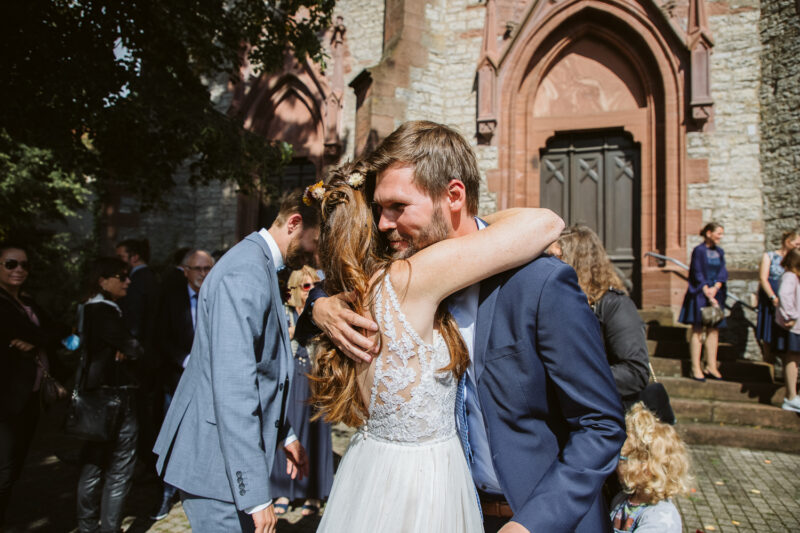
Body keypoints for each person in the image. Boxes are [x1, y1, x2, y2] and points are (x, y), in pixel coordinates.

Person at [303, 121, 626, 533]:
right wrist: (320, 306)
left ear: (453, 195)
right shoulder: (403, 271)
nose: (383, 224)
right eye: (379, 209)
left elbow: (601, 423)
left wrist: (533, 523)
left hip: (535, 517)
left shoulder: (541, 283)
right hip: (442, 511)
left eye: (398, 207)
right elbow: (342, 282)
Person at [153, 191, 318, 533]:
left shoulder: (257, 263)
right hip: (215, 466)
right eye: (313, 242)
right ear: (294, 223)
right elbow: (234, 388)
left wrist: (286, 435)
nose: (312, 252)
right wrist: (257, 498)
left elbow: (262, 372)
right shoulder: (244, 271)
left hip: (225, 461)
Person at [0, 244, 67, 525]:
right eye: (11, 264)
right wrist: (38, 336)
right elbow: (37, 332)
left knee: (14, 468)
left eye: (24, 265)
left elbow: (62, 330)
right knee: (3, 470)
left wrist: (35, 339)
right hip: (5, 398)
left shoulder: (27, 302)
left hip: (31, 397)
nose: (19, 270)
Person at [76, 257, 144, 533]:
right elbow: (135, 348)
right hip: (113, 398)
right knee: (118, 467)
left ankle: (87, 527)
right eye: (121, 276)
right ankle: (107, 529)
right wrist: (129, 349)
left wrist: (127, 348)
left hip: (94, 398)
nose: (127, 281)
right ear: (103, 280)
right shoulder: (104, 312)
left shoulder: (86, 310)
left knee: (93, 464)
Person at [150, 249, 214, 521]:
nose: (203, 274)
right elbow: (159, 336)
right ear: (185, 271)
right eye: (198, 269)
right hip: (177, 379)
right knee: (172, 438)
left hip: (211, 382)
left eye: (207, 269)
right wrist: (186, 360)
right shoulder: (170, 300)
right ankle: (166, 493)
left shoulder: (218, 298)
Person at [555, 225, 650, 408]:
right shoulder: (557, 303)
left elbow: (635, 372)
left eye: (556, 257)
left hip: (604, 415)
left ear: (577, 262)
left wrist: (576, 378)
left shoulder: (615, 305)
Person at [270, 266, 333, 517]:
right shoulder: (285, 311)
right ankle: (284, 489)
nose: (312, 291)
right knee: (289, 430)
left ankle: (314, 493)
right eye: (307, 287)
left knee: (315, 432)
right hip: (291, 375)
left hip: (316, 376)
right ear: (296, 289)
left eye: (316, 285)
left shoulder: (322, 310)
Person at [609, 403, 692, 532]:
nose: (615, 463)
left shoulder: (658, 518)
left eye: (621, 458)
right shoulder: (622, 499)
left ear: (646, 468)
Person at [116, 238, 161, 470]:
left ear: (134, 257)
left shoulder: (136, 282)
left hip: (139, 359)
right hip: (151, 356)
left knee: (139, 414)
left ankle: (145, 461)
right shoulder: (152, 279)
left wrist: (128, 349)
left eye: (121, 257)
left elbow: (135, 320)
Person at [678, 223, 728, 382]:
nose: (720, 236)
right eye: (718, 233)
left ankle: (711, 365)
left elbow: (723, 271)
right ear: (708, 233)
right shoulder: (699, 251)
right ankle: (695, 367)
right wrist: (706, 290)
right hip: (699, 294)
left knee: (714, 330)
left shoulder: (719, 252)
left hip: (716, 293)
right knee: (698, 330)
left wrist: (716, 287)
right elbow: (696, 271)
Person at [757, 230, 800, 363]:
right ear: (788, 242)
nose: (798, 246)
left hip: (791, 301)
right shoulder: (769, 256)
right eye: (797, 243)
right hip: (772, 299)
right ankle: (768, 364)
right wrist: (773, 298)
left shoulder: (797, 258)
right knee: (769, 332)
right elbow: (763, 279)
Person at [773, 249, 800, 413]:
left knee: (795, 358)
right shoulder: (790, 276)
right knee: (793, 358)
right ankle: (791, 397)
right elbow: (784, 295)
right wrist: (791, 315)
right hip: (795, 325)